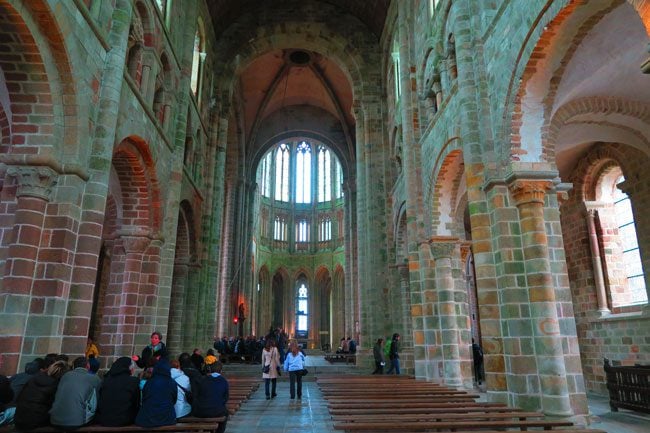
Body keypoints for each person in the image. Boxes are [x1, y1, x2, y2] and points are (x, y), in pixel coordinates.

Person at [14, 360, 69, 431]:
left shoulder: (34, 378)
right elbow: (56, 407)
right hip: (36, 422)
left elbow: (19, 397)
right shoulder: (55, 386)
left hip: (18, 419)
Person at [50, 356, 102, 429]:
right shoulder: (95, 378)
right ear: (88, 366)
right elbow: (98, 400)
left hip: (54, 420)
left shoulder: (65, 375)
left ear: (74, 366)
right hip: (75, 422)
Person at [96, 357, 140, 427]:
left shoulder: (106, 380)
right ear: (129, 368)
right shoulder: (133, 381)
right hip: (123, 420)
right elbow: (136, 403)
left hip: (104, 419)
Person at [135, 358, 177, 428]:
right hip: (167, 418)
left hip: (148, 418)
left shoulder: (149, 382)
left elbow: (144, 398)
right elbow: (174, 400)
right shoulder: (172, 382)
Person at [193, 361, 229, 433]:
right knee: (226, 414)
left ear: (210, 370)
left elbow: (197, 395)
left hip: (201, 411)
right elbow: (225, 398)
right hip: (216, 411)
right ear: (221, 370)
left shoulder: (203, 379)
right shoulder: (223, 381)